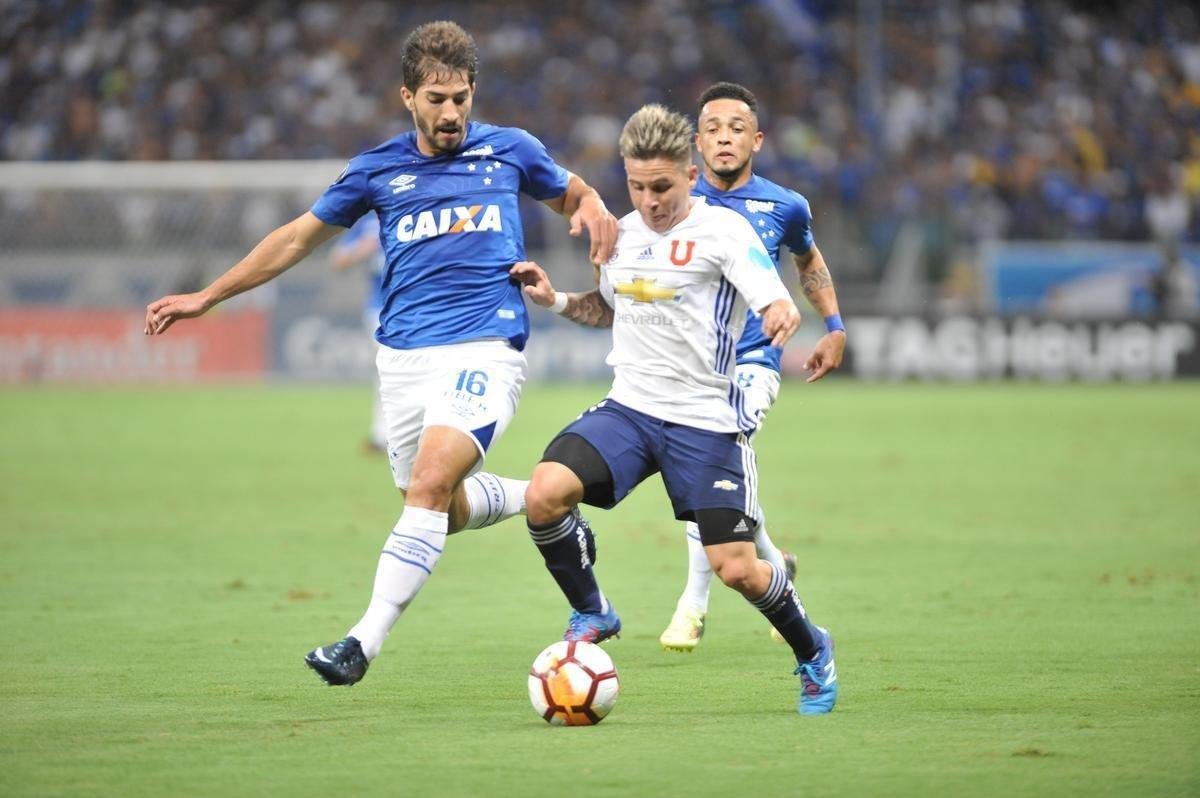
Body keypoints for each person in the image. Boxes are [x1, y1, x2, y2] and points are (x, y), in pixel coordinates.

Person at [143, 21, 617, 686]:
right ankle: (545, 502)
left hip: (487, 346)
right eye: (435, 98)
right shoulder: (376, 169)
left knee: (426, 486)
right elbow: (295, 239)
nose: (450, 112)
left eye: (460, 97)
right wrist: (210, 296)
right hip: (402, 362)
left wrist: (594, 206)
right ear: (407, 97)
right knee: (437, 507)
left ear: (473, 92)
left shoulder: (511, 151)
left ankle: (359, 643)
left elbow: (576, 192)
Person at [515, 103, 838, 715]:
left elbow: (773, 298)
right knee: (544, 494)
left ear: (690, 175)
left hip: (705, 419)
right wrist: (554, 298)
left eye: (661, 186)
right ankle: (593, 609)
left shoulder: (726, 233)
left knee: (738, 570)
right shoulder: (623, 234)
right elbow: (611, 310)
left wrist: (781, 312)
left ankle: (813, 648)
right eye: (636, 186)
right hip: (630, 410)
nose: (649, 200)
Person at [658, 82, 847, 651]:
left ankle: (692, 605)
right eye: (712, 128)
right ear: (696, 141)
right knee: (717, 479)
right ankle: (776, 566)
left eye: (736, 128)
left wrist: (834, 327)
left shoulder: (783, 205)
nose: (723, 138)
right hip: (690, 366)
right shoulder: (674, 202)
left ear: (756, 140)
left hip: (752, 363)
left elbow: (809, 260)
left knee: (709, 460)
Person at [329, 213, 387, 453]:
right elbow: (338, 260)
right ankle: (383, 434)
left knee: (393, 369)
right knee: (389, 367)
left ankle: (385, 435)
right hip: (380, 308)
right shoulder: (369, 223)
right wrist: (363, 248)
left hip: (420, 306)